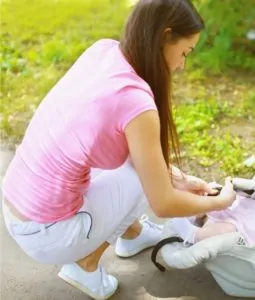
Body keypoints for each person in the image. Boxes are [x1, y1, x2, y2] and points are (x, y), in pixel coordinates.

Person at [1, 1, 236, 299]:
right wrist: (220, 203)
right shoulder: (137, 104)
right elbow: (162, 202)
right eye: (185, 52)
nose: (181, 65)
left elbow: (125, 147)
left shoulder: (104, 51)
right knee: (143, 179)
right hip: (46, 233)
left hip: (15, 205)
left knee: (136, 163)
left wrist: (183, 180)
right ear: (165, 37)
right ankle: (84, 265)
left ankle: (132, 234)